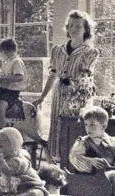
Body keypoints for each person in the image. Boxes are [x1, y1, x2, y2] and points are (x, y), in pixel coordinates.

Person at [32, 10, 99, 160]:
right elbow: (53, 75)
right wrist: (42, 97)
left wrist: (75, 97)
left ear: (86, 29)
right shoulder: (58, 50)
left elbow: (86, 80)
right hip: (59, 93)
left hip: (78, 96)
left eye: (78, 26)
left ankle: (73, 164)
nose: (74, 29)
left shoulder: (90, 52)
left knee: (73, 130)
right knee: (57, 128)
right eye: (71, 26)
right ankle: (56, 164)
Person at [0, 127, 49, 196]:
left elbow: (8, 172)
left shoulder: (19, 160)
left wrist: (0, 160)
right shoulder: (7, 158)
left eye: (1, 146)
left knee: (35, 194)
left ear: (13, 145)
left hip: (32, 186)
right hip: (17, 189)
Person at [0, 38, 27, 130]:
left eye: (0, 52)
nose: (0, 55)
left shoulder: (16, 61)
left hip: (11, 92)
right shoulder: (6, 62)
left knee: (0, 108)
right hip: (2, 89)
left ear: (5, 51)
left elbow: (19, 77)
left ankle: (1, 129)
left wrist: (3, 79)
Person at [69, 106, 115, 173]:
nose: (88, 129)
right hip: (87, 179)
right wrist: (90, 161)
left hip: (108, 179)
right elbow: (74, 157)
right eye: (86, 124)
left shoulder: (113, 142)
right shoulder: (83, 142)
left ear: (104, 126)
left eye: (92, 125)